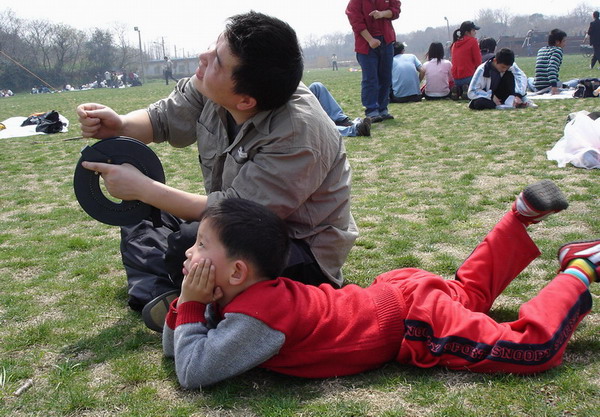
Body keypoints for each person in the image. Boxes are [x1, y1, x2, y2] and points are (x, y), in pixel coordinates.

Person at [161, 180, 600, 389]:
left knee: (532, 348)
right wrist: (190, 301)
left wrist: (190, 305)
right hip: (398, 292)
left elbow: (193, 370)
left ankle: (580, 267)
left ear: (238, 272)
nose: (189, 253)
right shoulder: (244, 295)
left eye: (200, 245)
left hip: (413, 321)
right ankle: (519, 217)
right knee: (469, 297)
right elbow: (176, 348)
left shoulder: (258, 316)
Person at [76, 12, 358, 325]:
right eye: (214, 46)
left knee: (188, 242)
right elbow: (161, 119)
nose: (204, 56)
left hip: (298, 250)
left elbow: (236, 212)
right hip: (231, 224)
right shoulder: (212, 85)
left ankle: (180, 296)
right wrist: (120, 125)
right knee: (141, 212)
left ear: (245, 101)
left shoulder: (298, 132)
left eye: (218, 61)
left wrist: (143, 187)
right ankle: (164, 294)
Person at [346, 0, 401, 122]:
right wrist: (370, 40)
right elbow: (356, 21)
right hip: (366, 44)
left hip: (386, 41)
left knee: (386, 78)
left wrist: (382, 13)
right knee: (370, 79)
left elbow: (396, 10)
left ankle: (383, 109)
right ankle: (371, 111)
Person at [467, 48, 536, 110]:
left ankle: (518, 101)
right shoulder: (482, 69)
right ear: (495, 60)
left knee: (510, 74)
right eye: (503, 67)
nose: (504, 70)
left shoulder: (511, 67)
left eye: (507, 68)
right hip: (489, 95)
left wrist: (518, 95)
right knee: (478, 103)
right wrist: (491, 96)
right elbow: (472, 91)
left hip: (506, 93)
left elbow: (521, 77)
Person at [450, 21, 482, 100]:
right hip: (468, 76)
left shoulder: (455, 44)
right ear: (467, 32)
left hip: (456, 79)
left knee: (461, 84)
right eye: (473, 30)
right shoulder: (473, 41)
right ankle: (466, 89)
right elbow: (478, 61)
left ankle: (458, 89)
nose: (475, 32)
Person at [533, 29, 567, 95]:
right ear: (557, 42)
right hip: (549, 86)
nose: (565, 44)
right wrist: (554, 87)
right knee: (575, 82)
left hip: (537, 86)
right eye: (564, 41)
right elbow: (551, 69)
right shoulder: (557, 51)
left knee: (530, 79)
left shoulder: (541, 50)